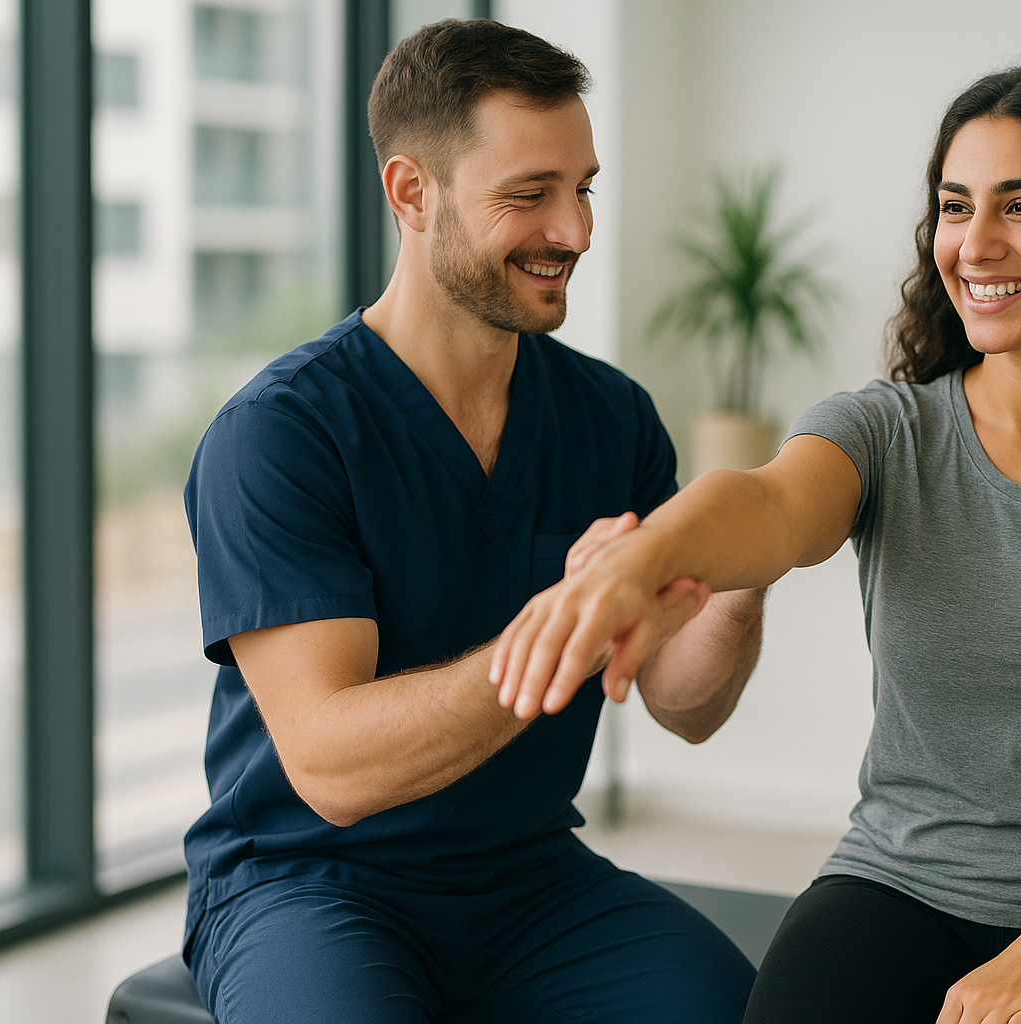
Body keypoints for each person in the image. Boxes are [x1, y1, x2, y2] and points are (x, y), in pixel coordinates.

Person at [490, 60, 1021, 1024]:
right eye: (956, 207)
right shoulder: (886, 432)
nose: (977, 243)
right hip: (901, 886)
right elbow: (769, 503)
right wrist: (649, 555)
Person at [181, 19, 763, 1024]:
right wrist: (571, 625)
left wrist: (741, 562)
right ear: (413, 193)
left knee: (741, 1010)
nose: (575, 231)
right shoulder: (281, 434)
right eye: (529, 195)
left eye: (582, 188)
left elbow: (687, 702)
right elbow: (331, 766)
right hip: (306, 883)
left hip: (531, 879)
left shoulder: (610, 415)